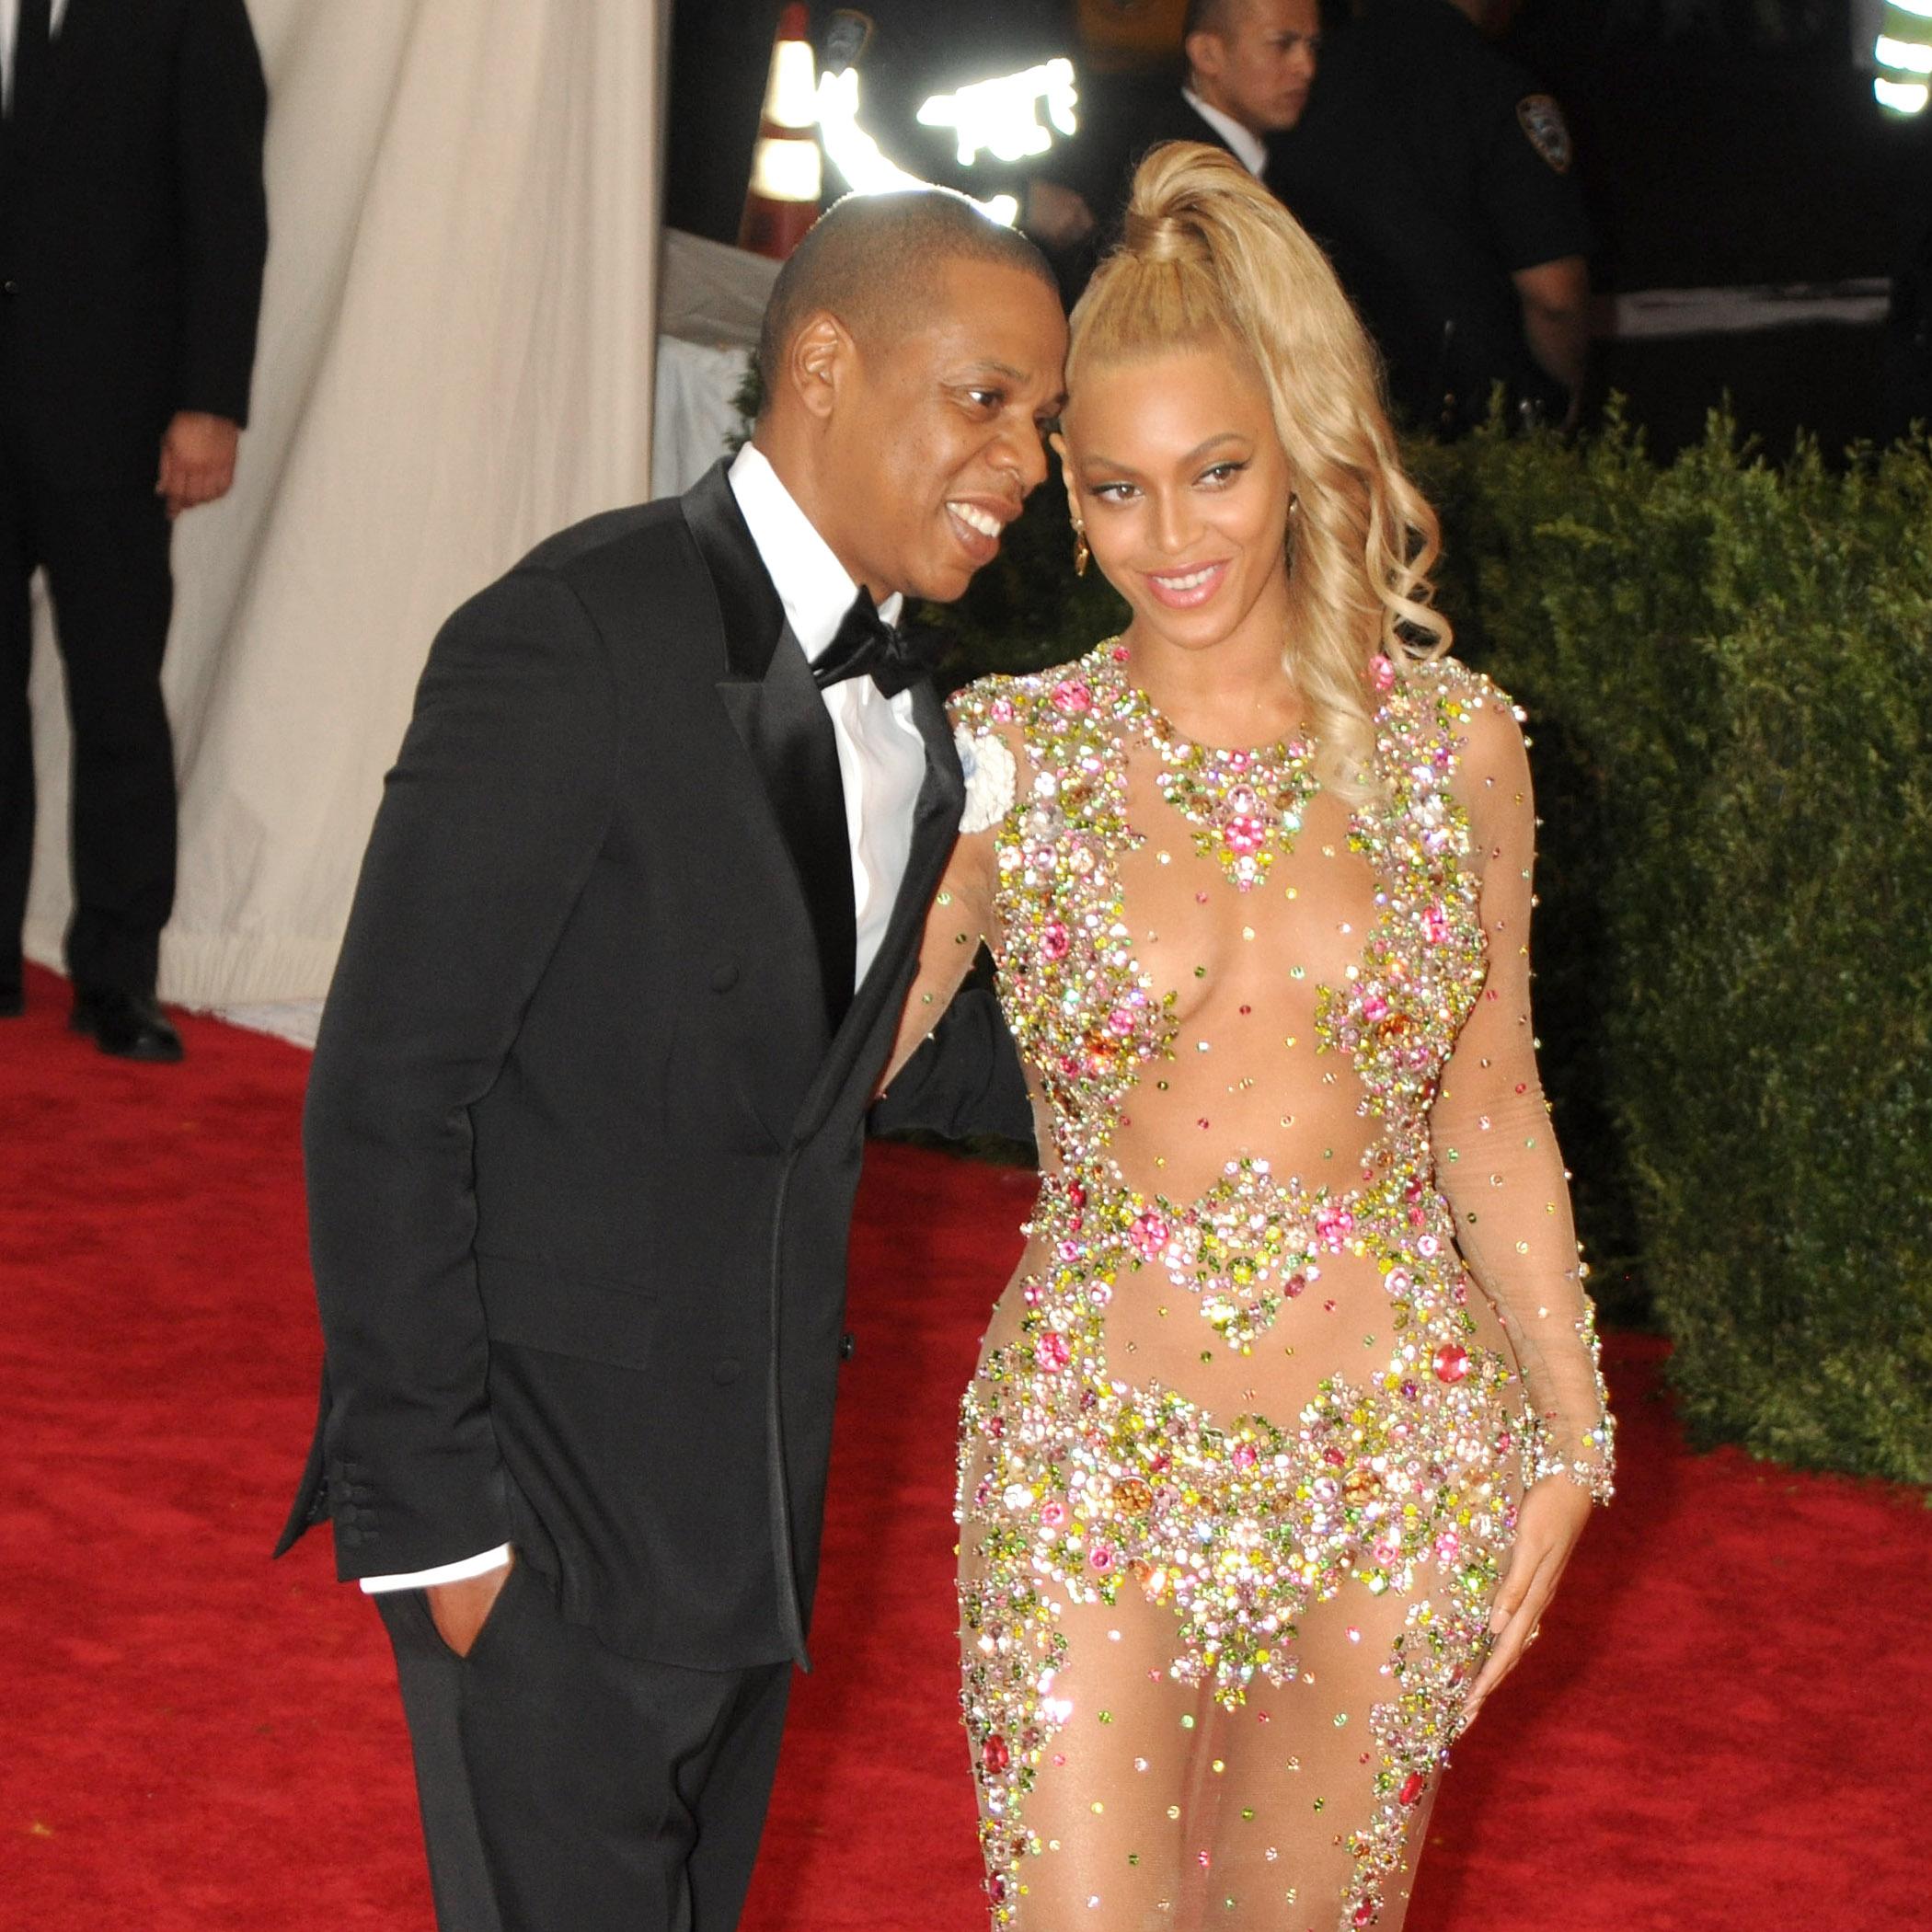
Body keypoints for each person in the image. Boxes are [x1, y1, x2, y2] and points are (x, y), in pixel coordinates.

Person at [275, 187, 1062, 1932]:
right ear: (827, 367)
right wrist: (445, 1534)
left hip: (755, 1524)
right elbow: (389, 1092)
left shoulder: (915, 707)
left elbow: (861, 1060)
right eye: (987, 398)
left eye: (1044, 420)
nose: (1026, 461)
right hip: (543, 1527)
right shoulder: (572, 635)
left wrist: (1238, 1085)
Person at [881, 143, 1614, 1928]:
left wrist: (1573, 1435)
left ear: (1298, 444)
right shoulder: (1006, 758)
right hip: (1085, 1461)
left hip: (1396, 1455)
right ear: (1065, 487)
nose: (1175, 537)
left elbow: (1492, 1101)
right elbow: (818, 1062)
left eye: (1216, 473)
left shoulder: (1458, 749)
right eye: (1121, 490)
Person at [0, 0, 269, 1055]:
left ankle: (118, 975)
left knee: (117, 695)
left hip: (110, 418)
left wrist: (210, 402)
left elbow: (227, 206)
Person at [1271, 0, 1592, 432]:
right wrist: (1565, 397)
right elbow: (1555, 296)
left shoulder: (1296, 87)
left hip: (1337, 414)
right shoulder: (1496, 88)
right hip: (1480, 430)